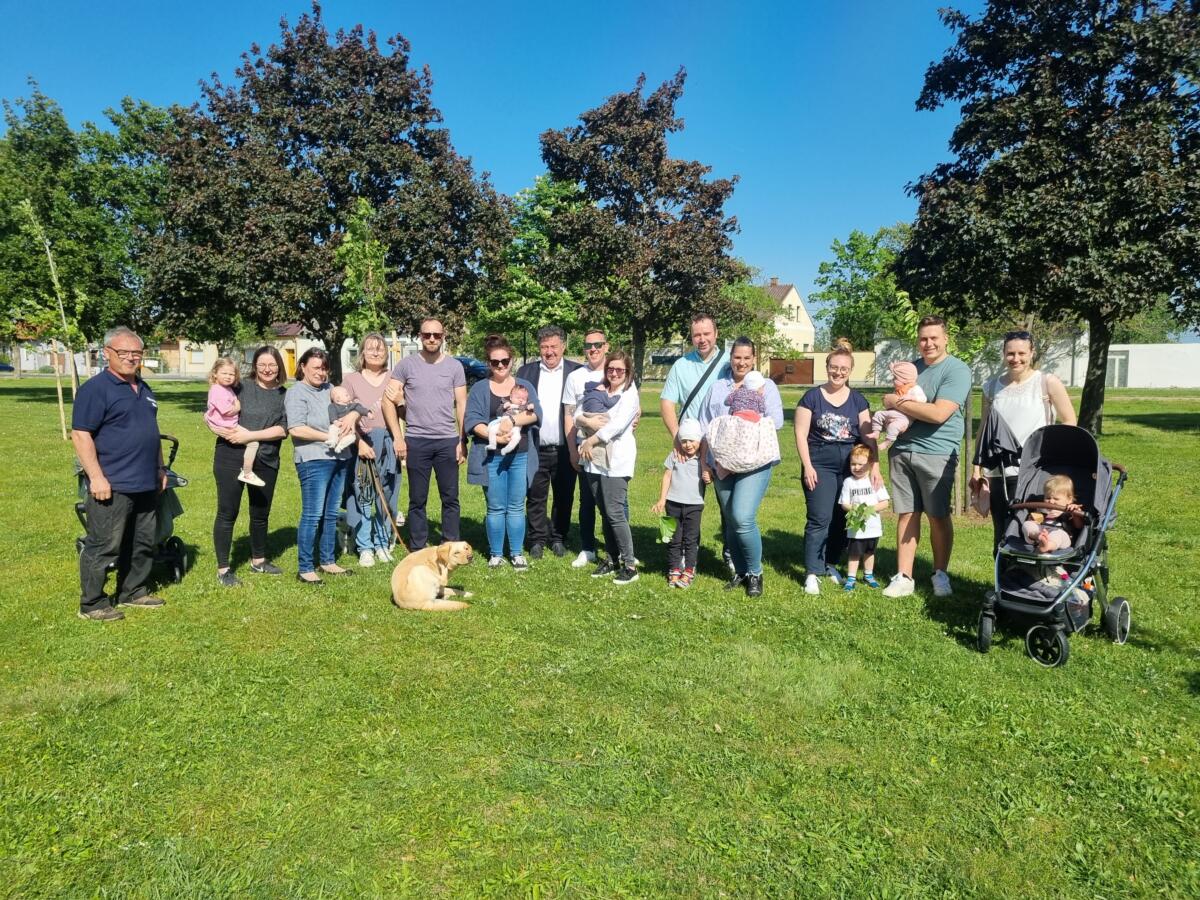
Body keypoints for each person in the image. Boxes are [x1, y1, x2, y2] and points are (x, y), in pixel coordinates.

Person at [71, 326, 167, 621]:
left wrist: (160, 468)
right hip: (112, 482)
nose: (130, 357)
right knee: (104, 545)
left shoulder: (144, 388)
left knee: (142, 541)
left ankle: (132, 591)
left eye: (136, 352)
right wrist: (96, 477)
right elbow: (81, 434)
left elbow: (152, 432)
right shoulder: (96, 389)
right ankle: (92, 604)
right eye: (123, 352)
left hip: (145, 481)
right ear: (107, 353)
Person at [880, 316, 973, 599]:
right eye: (923, 338)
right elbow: (902, 408)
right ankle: (904, 576)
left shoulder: (957, 370)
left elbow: (938, 413)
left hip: (937, 451)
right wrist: (899, 405)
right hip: (902, 449)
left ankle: (940, 574)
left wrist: (896, 401)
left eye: (934, 338)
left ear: (946, 339)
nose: (928, 343)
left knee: (937, 515)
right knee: (906, 513)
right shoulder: (911, 368)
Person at [970, 330, 1076, 551]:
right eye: (1010, 353)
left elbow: (1069, 422)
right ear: (1003, 353)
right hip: (999, 472)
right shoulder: (991, 387)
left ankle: (1030, 572)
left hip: (1034, 472)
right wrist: (976, 469)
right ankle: (1002, 573)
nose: (1015, 358)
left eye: (1021, 353)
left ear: (1031, 353)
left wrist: (1057, 460)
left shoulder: (1046, 382)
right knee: (1002, 531)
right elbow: (984, 430)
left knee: (1027, 529)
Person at [699, 337, 784, 597]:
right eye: (737, 357)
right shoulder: (717, 388)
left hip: (754, 461)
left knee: (743, 516)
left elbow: (777, 421)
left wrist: (744, 424)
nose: (742, 362)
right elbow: (705, 425)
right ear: (730, 358)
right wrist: (705, 462)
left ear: (754, 359)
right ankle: (741, 571)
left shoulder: (766, 386)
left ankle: (756, 573)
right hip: (722, 462)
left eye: (747, 358)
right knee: (730, 519)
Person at [794, 342, 880, 596]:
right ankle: (812, 572)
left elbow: (868, 437)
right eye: (834, 367)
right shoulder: (812, 397)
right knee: (820, 517)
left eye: (844, 368)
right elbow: (800, 434)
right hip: (819, 462)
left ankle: (830, 563)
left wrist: (875, 467)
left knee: (844, 516)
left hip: (851, 465)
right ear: (827, 367)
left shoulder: (858, 400)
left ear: (850, 370)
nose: (838, 372)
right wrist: (808, 466)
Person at [382, 318, 467, 550]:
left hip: (447, 440)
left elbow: (462, 404)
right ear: (420, 336)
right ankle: (418, 546)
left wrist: (462, 440)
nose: (431, 339)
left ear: (443, 337)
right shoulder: (406, 366)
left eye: (436, 335)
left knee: (450, 498)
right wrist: (398, 437)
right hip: (416, 441)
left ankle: (450, 543)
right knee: (417, 499)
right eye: (427, 334)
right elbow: (388, 401)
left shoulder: (454, 367)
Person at [209, 346, 290, 587]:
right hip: (231, 457)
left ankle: (259, 560)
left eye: (272, 364)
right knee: (227, 512)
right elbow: (213, 410)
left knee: (260, 513)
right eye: (262, 364)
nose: (267, 369)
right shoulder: (240, 386)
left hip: (266, 459)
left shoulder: (285, 395)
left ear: (279, 367)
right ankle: (224, 569)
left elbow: (283, 430)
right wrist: (222, 430)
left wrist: (250, 436)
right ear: (255, 366)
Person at [660, 313, 731, 569]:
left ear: (716, 333)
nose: (702, 339)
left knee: (729, 504)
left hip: (722, 446)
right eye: (696, 335)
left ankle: (731, 552)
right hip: (689, 449)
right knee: (683, 503)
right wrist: (677, 438)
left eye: (706, 333)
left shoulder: (729, 361)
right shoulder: (681, 365)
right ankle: (682, 553)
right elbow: (667, 402)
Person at [465, 335, 541, 569]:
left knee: (516, 506)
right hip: (492, 457)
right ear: (488, 363)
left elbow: (536, 413)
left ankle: (516, 553)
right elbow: (472, 421)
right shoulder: (479, 388)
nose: (500, 366)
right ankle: (496, 554)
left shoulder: (524, 386)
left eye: (504, 361)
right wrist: (495, 436)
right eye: (495, 362)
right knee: (496, 507)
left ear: (512, 360)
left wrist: (512, 421)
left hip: (520, 454)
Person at [286, 348, 357, 584]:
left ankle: (327, 561)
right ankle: (305, 567)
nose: (321, 372)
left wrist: (351, 418)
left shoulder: (330, 389)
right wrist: (329, 436)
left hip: (340, 458)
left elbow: (349, 408)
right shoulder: (296, 393)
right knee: (313, 514)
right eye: (316, 367)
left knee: (331, 513)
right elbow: (296, 428)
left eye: (324, 368)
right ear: (303, 366)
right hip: (314, 460)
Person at [577, 349, 641, 584]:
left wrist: (590, 438)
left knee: (615, 512)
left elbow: (616, 426)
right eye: (610, 369)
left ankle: (630, 565)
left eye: (619, 370)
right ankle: (612, 558)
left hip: (616, 461)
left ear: (628, 372)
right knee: (604, 511)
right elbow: (577, 413)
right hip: (594, 459)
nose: (614, 373)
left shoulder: (630, 395)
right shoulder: (599, 388)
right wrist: (586, 420)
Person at [517, 325, 581, 559]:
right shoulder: (526, 372)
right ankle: (536, 539)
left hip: (566, 447)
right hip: (535, 446)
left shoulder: (576, 372)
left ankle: (558, 537)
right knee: (535, 495)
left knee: (564, 496)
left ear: (563, 346)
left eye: (554, 346)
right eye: (544, 347)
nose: (549, 352)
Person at [342, 333, 403, 568]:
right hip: (363, 443)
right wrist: (359, 443)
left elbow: (403, 412)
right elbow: (343, 416)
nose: (375, 352)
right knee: (364, 494)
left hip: (389, 442)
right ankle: (364, 545)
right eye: (370, 348)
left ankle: (382, 542)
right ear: (362, 353)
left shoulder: (394, 378)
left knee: (387, 495)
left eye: (380, 348)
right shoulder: (351, 380)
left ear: (386, 353)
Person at [562, 328, 611, 568]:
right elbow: (568, 414)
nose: (593, 349)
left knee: (615, 501)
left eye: (597, 344)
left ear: (606, 346)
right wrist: (572, 450)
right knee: (588, 499)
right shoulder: (575, 377)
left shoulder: (617, 370)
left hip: (613, 447)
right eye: (588, 345)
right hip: (585, 447)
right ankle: (588, 548)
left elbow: (632, 407)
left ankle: (618, 550)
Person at [649, 418, 707, 588]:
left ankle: (688, 570)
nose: (688, 445)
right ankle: (674, 569)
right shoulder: (675, 455)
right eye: (684, 441)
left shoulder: (703, 460)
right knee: (673, 539)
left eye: (692, 440)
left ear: (699, 440)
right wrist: (662, 499)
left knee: (691, 540)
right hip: (673, 504)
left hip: (694, 506)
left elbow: (709, 476)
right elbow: (667, 476)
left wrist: (708, 475)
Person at [205, 357, 264, 486]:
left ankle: (246, 472)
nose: (228, 377)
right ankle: (247, 473)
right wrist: (238, 406)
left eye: (231, 374)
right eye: (224, 373)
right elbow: (226, 411)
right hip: (226, 426)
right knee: (253, 443)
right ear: (215, 373)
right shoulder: (217, 390)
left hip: (228, 424)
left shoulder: (226, 388)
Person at [839, 444, 890, 591]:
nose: (856, 467)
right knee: (854, 553)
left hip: (873, 527)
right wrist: (855, 509)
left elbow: (885, 502)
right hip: (856, 527)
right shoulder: (848, 482)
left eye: (861, 464)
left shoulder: (874, 480)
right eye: (853, 464)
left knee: (869, 552)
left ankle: (868, 575)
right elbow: (844, 504)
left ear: (870, 464)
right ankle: (851, 578)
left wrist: (870, 509)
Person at [869, 360, 928, 452]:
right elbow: (891, 402)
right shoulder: (898, 390)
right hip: (893, 413)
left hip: (905, 418)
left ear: (905, 379)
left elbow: (923, 399)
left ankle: (887, 442)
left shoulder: (914, 388)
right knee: (878, 414)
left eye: (895, 378)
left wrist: (911, 397)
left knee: (894, 426)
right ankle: (876, 432)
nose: (893, 380)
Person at [1021, 474, 1085, 553]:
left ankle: (1047, 546)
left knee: (1058, 535)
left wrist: (1075, 513)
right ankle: (1040, 538)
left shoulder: (1069, 510)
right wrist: (1032, 520)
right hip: (1041, 531)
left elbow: (1079, 526)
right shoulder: (1042, 508)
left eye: (1056, 499)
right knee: (1027, 524)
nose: (1051, 501)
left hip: (1061, 535)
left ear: (1069, 499)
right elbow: (1035, 520)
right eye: (1048, 498)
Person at [486, 384, 534, 455]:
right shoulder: (507, 404)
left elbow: (530, 412)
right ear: (511, 397)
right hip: (502, 423)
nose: (521, 400)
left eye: (524, 399)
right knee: (492, 430)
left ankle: (507, 449)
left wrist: (530, 407)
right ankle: (492, 444)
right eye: (518, 397)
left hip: (516, 427)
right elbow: (498, 413)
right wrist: (503, 407)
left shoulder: (524, 407)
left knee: (517, 437)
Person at [325, 386, 370, 452]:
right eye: (346, 395)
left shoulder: (352, 405)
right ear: (338, 399)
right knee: (332, 429)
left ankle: (340, 447)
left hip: (348, 429)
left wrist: (368, 413)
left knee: (352, 437)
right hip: (338, 425)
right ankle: (332, 441)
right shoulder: (333, 406)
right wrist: (335, 421)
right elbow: (332, 413)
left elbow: (359, 408)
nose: (349, 396)